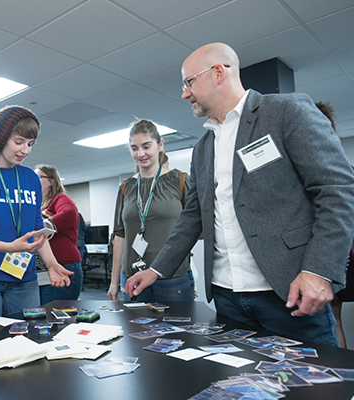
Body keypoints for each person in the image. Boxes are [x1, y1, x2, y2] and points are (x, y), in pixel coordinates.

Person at [125, 43, 354, 346]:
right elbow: (192, 217)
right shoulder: (204, 146)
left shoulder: (286, 112)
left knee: (312, 390)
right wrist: (157, 269)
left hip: (287, 293)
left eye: (189, 82)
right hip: (227, 296)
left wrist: (319, 270)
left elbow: (337, 191)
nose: (184, 93)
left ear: (218, 72)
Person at [0, 106, 73, 319]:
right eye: (19, 142)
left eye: (30, 144)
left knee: (28, 339)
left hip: (23, 279)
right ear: (0, 138)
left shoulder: (30, 178)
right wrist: (9, 247)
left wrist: (52, 263)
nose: (25, 150)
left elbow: (37, 228)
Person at [107, 119, 194, 302]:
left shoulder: (181, 181)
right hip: (131, 278)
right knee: (134, 329)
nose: (140, 153)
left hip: (172, 277)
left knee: (178, 330)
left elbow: (193, 228)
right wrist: (114, 282)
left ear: (160, 145)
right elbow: (119, 236)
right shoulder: (126, 188)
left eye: (146, 146)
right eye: (134, 148)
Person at [315, 101, 354, 348]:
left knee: (328, 320)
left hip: (332, 258)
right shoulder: (346, 169)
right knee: (332, 320)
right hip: (338, 256)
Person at [34, 165, 82, 304]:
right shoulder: (37, 204)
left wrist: (41, 226)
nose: (35, 180)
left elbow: (69, 214)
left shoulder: (60, 198)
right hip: (42, 267)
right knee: (42, 311)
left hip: (64, 264)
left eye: (39, 177)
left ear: (52, 181)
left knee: (56, 313)